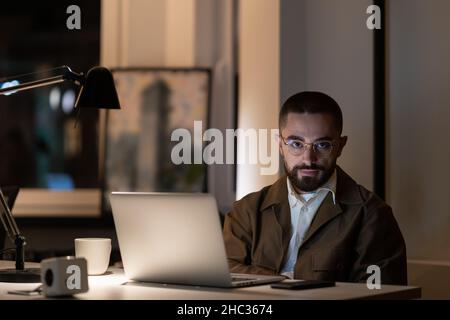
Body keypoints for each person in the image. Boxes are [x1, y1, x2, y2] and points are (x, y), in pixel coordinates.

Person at [223, 91, 407, 285]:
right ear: (280, 145)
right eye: (296, 144)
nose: (308, 159)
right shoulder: (246, 210)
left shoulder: (372, 215)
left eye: (322, 145)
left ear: (340, 146)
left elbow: (378, 293)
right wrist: (282, 281)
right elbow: (224, 270)